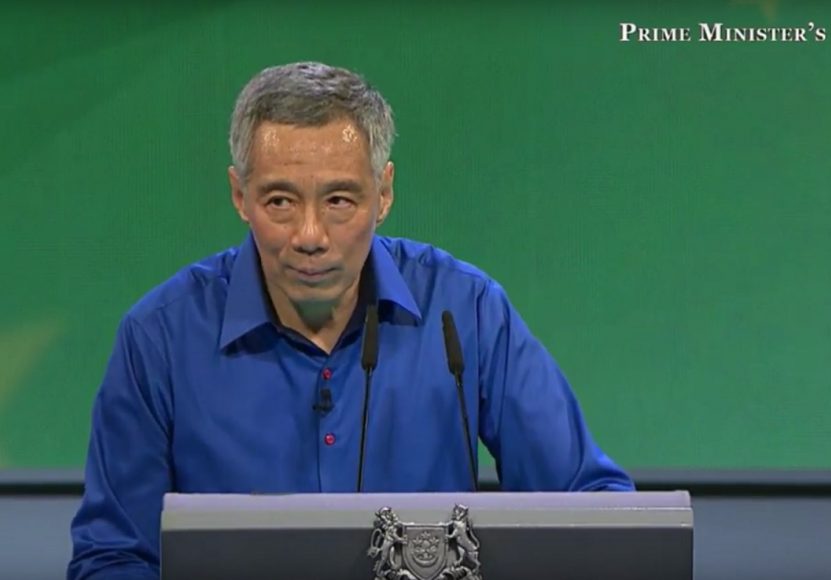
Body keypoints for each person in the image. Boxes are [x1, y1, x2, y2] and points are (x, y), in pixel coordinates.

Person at [68, 61, 634, 579]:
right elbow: (114, 557)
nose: (310, 237)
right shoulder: (159, 338)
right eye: (280, 202)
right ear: (240, 196)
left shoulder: (464, 312)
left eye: (339, 200)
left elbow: (593, 508)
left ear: (383, 193)